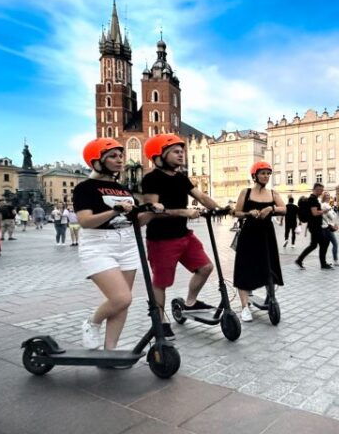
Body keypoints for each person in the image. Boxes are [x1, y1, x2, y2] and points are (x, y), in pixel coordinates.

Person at [141, 134, 222, 336]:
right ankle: (160, 322)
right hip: (161, 239)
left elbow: (201, 196)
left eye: (182, 151)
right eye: (176, 152)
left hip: (184, 235)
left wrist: (220, 209)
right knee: (161, 283)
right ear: (160, 155)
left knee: (205, 267)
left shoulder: (181, 178)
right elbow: (152, 212)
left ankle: (190, 303)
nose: (181, 155)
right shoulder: (151, 179)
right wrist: (183, 212)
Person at [74, 138, 150, 352]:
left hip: (127, 243)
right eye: (113, 156)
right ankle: (92, 322)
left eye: (120, 156)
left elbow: (135, 221)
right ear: (97, 161)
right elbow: (86, 221)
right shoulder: (85, 188)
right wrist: (115, 211)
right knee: (121, 298)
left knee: (123, 303)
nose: (119, 160)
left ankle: (110, 351)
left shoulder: (123, 189)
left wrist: (152, 212)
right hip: (98, 245)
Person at [233, 161, 286, 321]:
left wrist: (271, 208)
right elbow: (236, 212)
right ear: (255, 175)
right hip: (249, 234)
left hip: (266, 235)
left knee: (269, 266)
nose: (266, 176)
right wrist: (249, 213)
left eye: (268, 173)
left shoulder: (273, 193)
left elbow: (284, 209)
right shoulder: (246, 192)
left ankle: (271, 298)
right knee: (244, 268)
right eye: (263, 173)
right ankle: (244, 308)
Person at [295, 182, 331, 270]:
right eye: (321, 190)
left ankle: (299, 260)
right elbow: (314, 213)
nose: (321, 192)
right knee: (324, 242)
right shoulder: (313, 199)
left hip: (314, 225)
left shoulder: (313, 199)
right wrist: (324, 211)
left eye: (322, 190)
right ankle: (323, 264)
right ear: (316, 189)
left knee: (314, 245)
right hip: (315, 226)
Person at [321, 191, 339, 266]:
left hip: (326, 227)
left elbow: (332, 216)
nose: (328, 197)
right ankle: (335, 261)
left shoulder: (325, 205)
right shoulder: (326, 205)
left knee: (326, 245)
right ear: (324, 197)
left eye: (328, 195)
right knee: (335, 244)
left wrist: (333, 213)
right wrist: (333, 212)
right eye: (326, 195)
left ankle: (324, 262)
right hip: (327, 227)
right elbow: (332, 217)